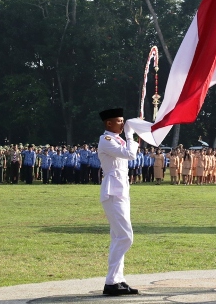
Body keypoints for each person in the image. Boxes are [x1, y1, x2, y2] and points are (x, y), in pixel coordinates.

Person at [98, 108, 139, 296]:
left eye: (123, 120)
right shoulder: (105, 140)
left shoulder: (117, 140)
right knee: (125, 236)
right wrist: (131, 135)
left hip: (122, 190)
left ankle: (117, 280)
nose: (123, 124)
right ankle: (111, 281)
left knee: (117, 237)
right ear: (109, 123)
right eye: (119, 121)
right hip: (113, 191)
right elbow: (130, 154)